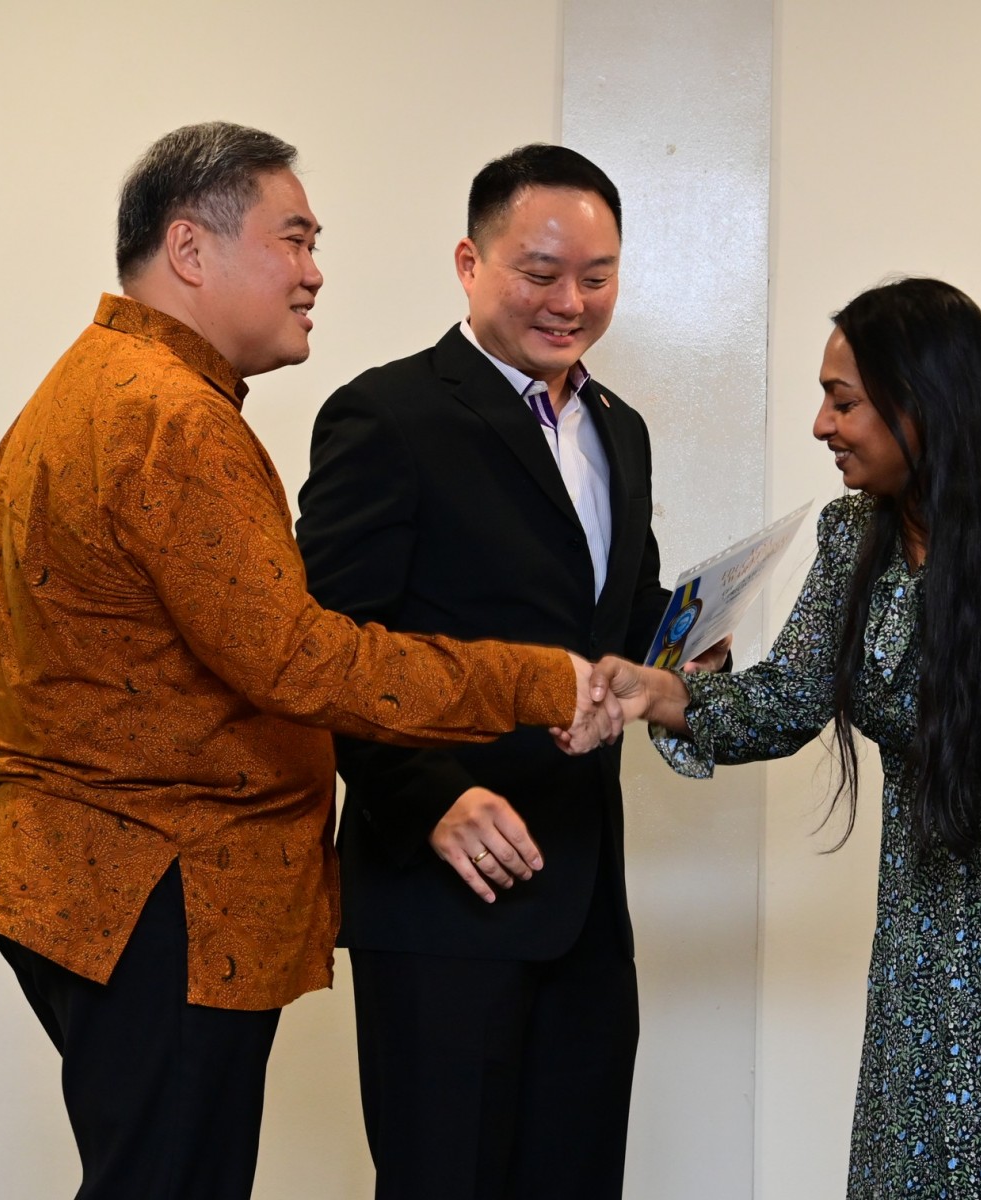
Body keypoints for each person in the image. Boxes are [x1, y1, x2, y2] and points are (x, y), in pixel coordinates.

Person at [0, 122, 616, 1200]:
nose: (315, 273)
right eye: (295, 240)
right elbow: (302, 661)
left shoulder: (88, 386)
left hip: (89, 884)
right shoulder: (170, 418)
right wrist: (546, 681)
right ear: (190, 249)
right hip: (160, 885)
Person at [590, 277, 981, 1197]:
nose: (822, 425)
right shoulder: (855, 535)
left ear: (921, 406)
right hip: (932, 950)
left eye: (843, 401)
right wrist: (658, 692)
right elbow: (789, 698)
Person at [295, 143, 713, 1200]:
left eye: (597, 277)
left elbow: (617, 612)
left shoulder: (621, 429)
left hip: (586, 897)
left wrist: (683, 654)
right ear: (469, 264)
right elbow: (322, 650)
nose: (571, 303)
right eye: (541, 273)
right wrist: (424, 799)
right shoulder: (386, 415)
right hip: (445, 892)